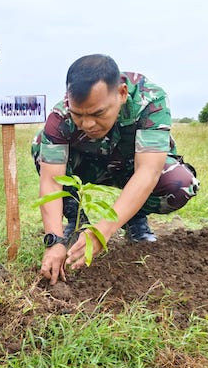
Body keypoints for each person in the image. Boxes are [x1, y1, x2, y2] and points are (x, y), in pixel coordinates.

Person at [32, 54, 199, 284]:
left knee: (179, 183)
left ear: (121, 94)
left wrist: (104, 230)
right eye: (78, 114)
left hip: (133, 167)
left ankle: (135, 217)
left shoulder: (149, 100)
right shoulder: (60, 117)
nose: (87, 124)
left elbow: (147, 172)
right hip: (88, 166)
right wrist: (54, 241)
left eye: (98, 113)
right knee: (40, 146)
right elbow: (52, 182)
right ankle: (77, 221)